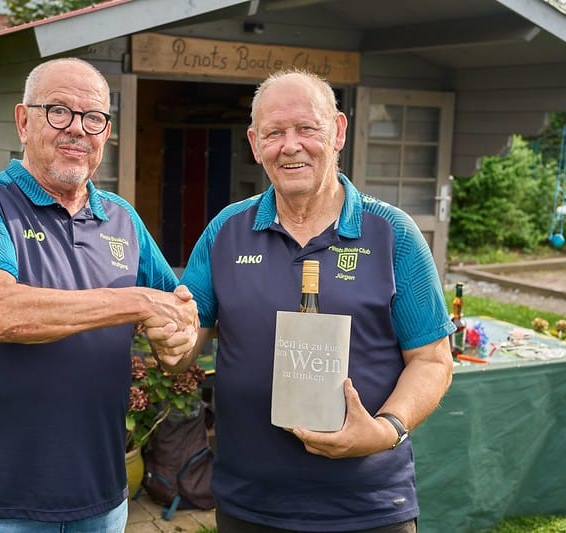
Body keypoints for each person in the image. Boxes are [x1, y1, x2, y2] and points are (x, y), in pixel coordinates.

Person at [180, 70, 455, 532]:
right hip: (249, 504)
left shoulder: (393, 233)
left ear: (338, 132)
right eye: (274, 133)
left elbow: (432, 360)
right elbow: (189, 339)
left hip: (367, 507)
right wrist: (171, 340)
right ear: (254, 143)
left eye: (306, 128)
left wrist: (385, 429)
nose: (290, 146)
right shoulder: (225, 230)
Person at [0, 57, 198, 532]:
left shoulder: (121, 218)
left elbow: (177, 325)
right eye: (58, 111)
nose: (77, 128)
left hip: (101, 498)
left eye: (93, 117)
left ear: (105, 133)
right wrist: (138, 302)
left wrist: (176, 342)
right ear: (23, 121)